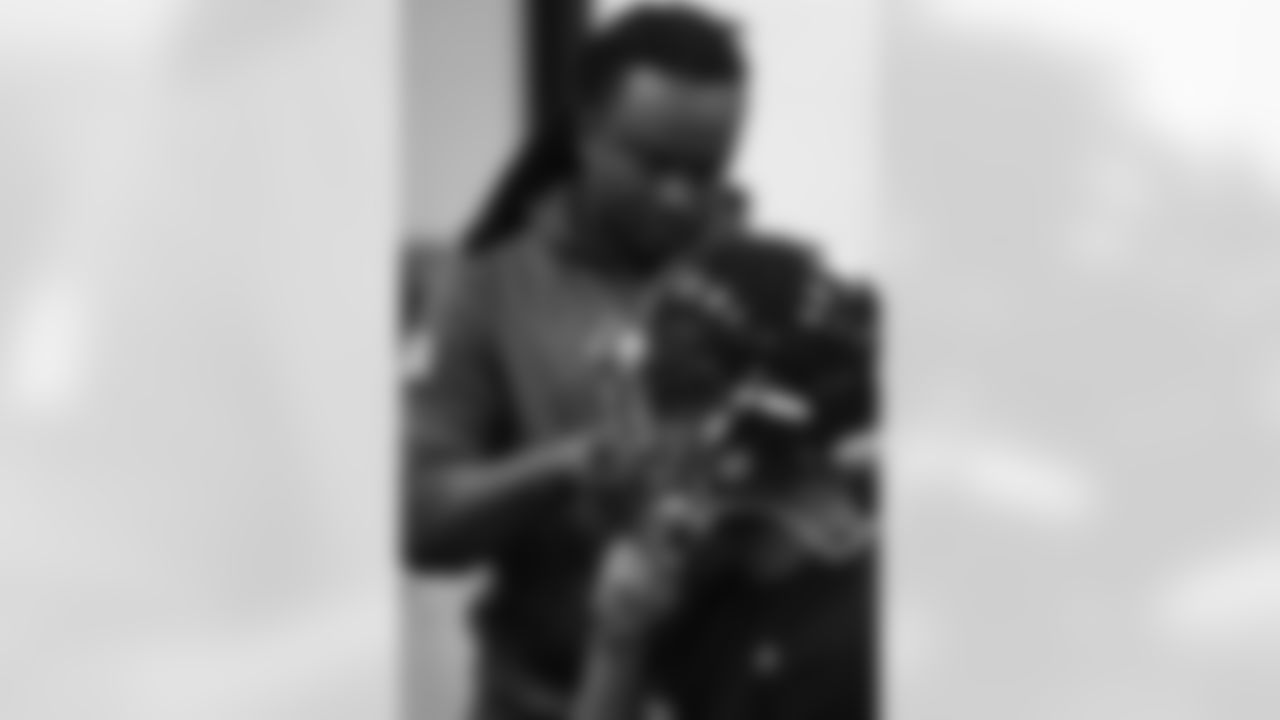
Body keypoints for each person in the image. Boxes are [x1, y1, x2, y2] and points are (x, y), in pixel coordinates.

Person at [406, 6, 753, 719]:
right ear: (587, 133)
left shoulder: (756, 287)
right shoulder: (488, 289)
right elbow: (417, 518)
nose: (680, 197)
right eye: (653, 164)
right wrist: (567, 465)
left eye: (706, 170)